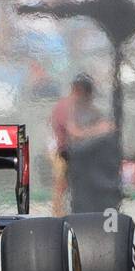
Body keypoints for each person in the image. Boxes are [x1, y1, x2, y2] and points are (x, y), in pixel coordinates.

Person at [49, 73, 115, 214]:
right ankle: (58, 217)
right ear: (79, 90)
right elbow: (74, 133)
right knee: (62, 183)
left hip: (80, 153)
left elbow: (104, 123)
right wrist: (98, 130)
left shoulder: (85, 107)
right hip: (61, 150)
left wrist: (103, 127)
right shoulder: (67, 106)